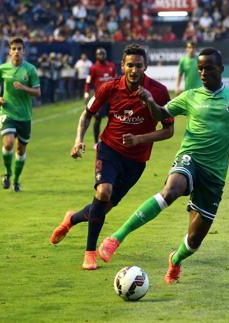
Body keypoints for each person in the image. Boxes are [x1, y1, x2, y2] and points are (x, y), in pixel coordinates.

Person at [96, 48, 229, 284]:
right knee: (170, 191)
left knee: (194, 241)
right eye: (200, 68)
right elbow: (162, 113)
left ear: (221, 70)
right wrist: (150, 101)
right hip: (190, 158)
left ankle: (175, 260)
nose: (202, 73)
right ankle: (116, 237)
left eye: (208, 68)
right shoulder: (190, 96)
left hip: (215, 173)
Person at [49, 44, 174, 270]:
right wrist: (78, 139)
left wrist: (140, 136)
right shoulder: (110, 88)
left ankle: (71, 219)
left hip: (136, 161)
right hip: (109, 149)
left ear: (146, 66)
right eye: (130, 65)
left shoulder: (158, 91)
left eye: (138, 65)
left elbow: (168, 130)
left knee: (101, 207)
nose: (134, 70)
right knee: (103, 192)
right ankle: (89, 253)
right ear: (122, 66)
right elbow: (87, 114)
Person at [0, 37, 41, 192]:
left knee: (20, 150)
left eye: (19, 49)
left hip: (25, 116)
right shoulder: (3, 68)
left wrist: (23, 88)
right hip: (7, 112)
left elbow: (38, 92)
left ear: (23, 51)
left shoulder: (30, 70)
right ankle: (7, 174)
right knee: (8, 143)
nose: (16, 52)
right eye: (14, 49)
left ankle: (16, 180)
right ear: (9, 51)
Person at [84, 48, 117, 149]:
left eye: (103, 54)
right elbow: (88, 81)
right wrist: (86, 92)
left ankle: (114, 140)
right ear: (96, 55)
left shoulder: (112, 66)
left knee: (115, 119)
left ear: (106, 54)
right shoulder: (93, 68)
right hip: (100, 99)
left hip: (112, 98)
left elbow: (116, 80)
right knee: (97, 119)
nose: (101, 56)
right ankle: (95, 142)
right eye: (99, 54)